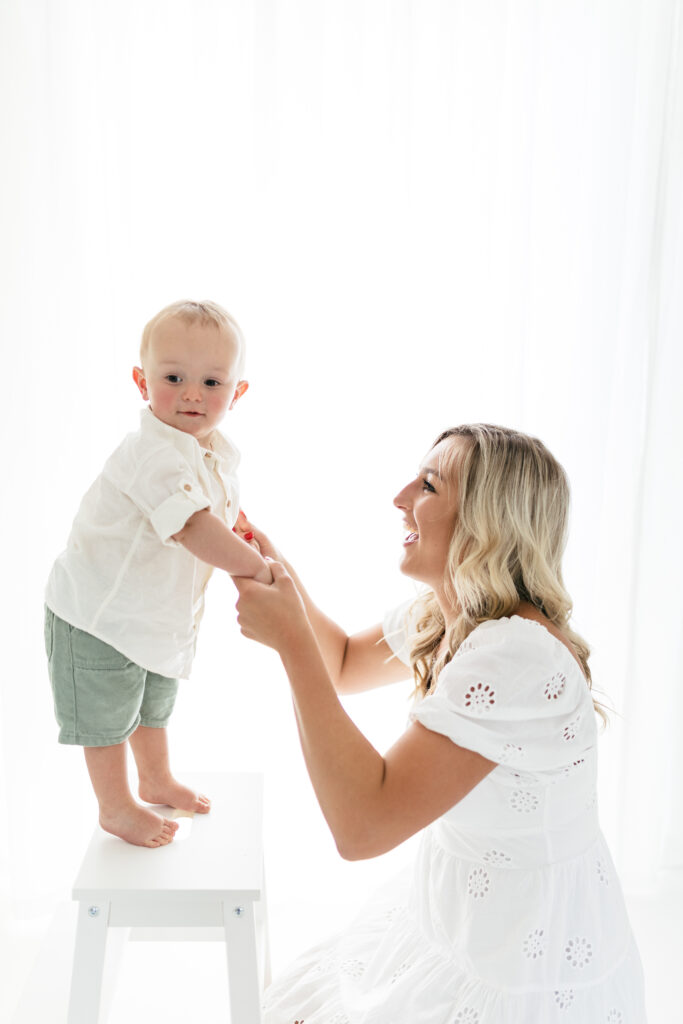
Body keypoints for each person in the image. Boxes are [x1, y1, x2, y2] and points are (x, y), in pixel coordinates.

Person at [234, 424, 646, 1023]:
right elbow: (347, 662)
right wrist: (277, 574)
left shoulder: (517, 658)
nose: (400, 497)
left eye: (428, 485)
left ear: (487, 522)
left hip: (516, 962)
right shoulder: (457, 610)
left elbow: (362, 827)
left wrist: (290, 642)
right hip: (456, 915)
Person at [44, 299, 272, 848]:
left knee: (152, 701)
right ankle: (115, 805)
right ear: (141, 381)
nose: (193, 393)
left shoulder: (211, 450)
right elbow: (193, 526)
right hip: (99, 616)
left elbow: (220, 510)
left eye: (212, 382)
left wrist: (245, 532)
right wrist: (257, 569)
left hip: (155, 617)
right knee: (107, 713)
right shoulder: (152, 453)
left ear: (237, 393)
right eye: (174, 378)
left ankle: (155, 777)